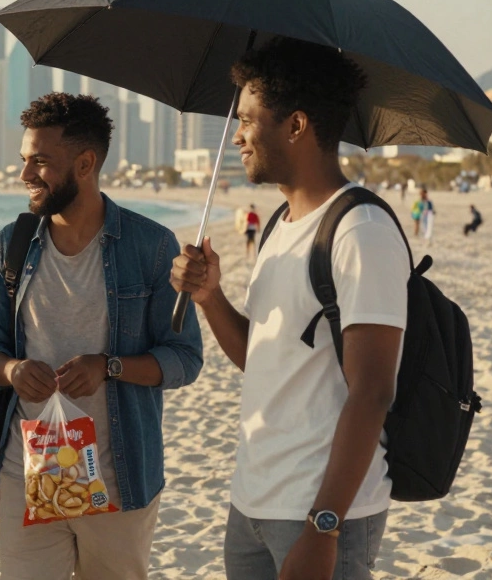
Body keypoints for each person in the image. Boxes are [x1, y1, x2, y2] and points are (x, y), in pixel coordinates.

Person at [171, 37, 408, 579]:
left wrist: (323, 524)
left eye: (249, 120)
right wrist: (210, 298)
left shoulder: (360, 230)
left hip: (321, 513)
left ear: (296, 125)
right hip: (253, 501)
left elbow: (373, 392)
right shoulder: (280, 223)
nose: (238, 136)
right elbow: (263, 356)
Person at [0, 93, 204, 580]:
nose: (25, 175)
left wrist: (109, 366)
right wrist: (12, 370)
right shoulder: (10, 247)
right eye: (23, 160)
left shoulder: (151, 246)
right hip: (27, 473)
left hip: (120, 480)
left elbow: (185, 359)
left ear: (85, 162)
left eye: (40, 162)